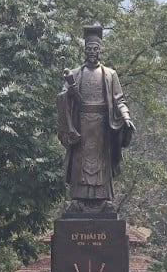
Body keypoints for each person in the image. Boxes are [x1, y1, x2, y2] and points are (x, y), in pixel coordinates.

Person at [56, 25, 136, 215]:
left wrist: (125, 117)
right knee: (80, 161)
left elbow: (119, 100)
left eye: (95, 49)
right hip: (81, 125)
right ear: (85, 51)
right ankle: (78, 200)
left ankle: (103, 200)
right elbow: (62, 97)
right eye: (89, 49)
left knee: (101, 162)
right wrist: (67, 95)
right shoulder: (75, 74)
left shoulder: (110, 74)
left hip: (102, 125)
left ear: (100, 50)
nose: (92, 52)